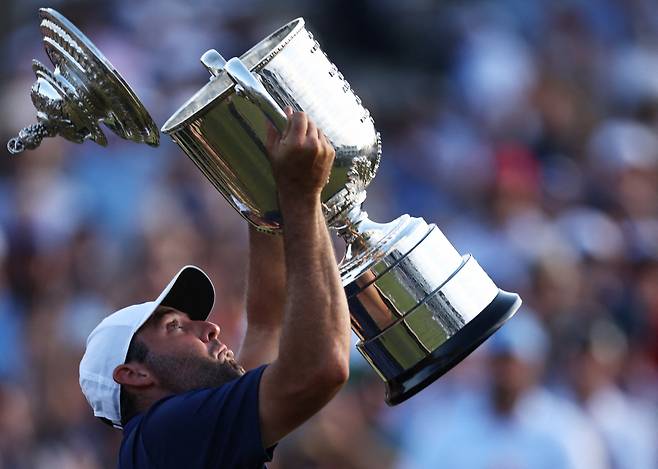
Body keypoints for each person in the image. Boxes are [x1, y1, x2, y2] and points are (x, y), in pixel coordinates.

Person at [79, 108, 352, 468]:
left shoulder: (179, 438)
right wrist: (301, 194)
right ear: (135, 374)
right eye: (175, 326)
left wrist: (263, 190)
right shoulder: (162, 433)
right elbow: (322, 367)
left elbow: (268, 324)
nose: (211, 327)